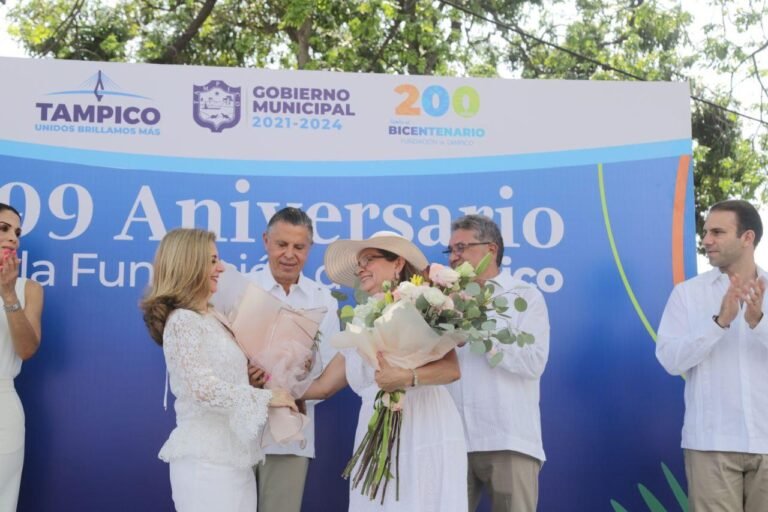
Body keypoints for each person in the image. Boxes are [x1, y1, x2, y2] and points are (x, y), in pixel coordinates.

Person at [304, 232, 468, 512]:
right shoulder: (359, 320)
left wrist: (406, 378)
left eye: (369, 259)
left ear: (397, 263)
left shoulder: (424, 307)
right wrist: (270, 389)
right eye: (359, 262)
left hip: (424, 426)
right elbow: (323, 387)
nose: (361, 267)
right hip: (376, 431)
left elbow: (451, 369)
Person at [140, 228, 297, 512]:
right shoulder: (183, 321)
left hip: (235, 458)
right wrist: (265, 398)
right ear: (189, 265)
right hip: (205, 463)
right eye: (212, 261)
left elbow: (224, 380)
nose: (221, 268)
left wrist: (253, 381)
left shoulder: (214, 316)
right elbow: (202, 390)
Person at [656, 199, 768, 512]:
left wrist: (758, 322)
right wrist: (719, 323)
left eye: (717, 232)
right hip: (710, 444)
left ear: (747, 238)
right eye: (706, 232)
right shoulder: (687, 294)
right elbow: (669, 359)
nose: (706, 240)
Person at [235, 207, 340, 512]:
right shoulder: (241, 290)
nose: (289, 255)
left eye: (299, 247)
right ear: (266, 241)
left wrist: (294, 386)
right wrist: (247, 380)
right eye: (282, 244)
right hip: (237, 430)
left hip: (290, 435)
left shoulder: (323, 301)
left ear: (310, 248)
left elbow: (329, 370)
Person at [445, 214, 550, 512]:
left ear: (491, 249)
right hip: (452, 440)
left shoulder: (525, 296)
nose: (454, 257)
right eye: (451, 250)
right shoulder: (440, 300)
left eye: (462, 248)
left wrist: (478, 328)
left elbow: (533, 361)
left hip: (508, 438)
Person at [0, 203, 43, 511]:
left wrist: (9, 295)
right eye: (4, 229)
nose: (13, 238)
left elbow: (27, 350)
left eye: (17, 232)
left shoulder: (29, 288)